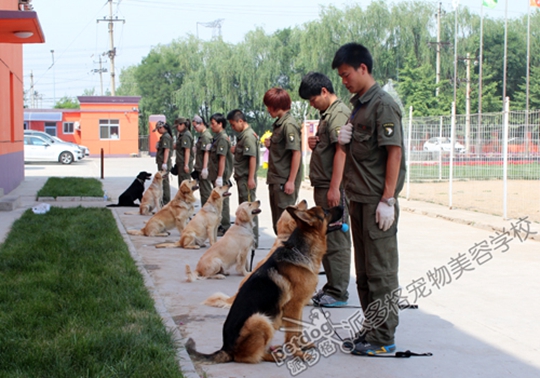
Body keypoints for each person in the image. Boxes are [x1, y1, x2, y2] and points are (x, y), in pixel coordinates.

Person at [332, 42, 406, 355]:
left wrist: (387, 199)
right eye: (341, 76)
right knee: (363, 274)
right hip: (359, 199)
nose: (344, 81)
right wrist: (344, 141)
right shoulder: (359, 105)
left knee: (381, 273)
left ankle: (384, 338)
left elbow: (394, 153)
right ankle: (372, 327)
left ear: (363, 68)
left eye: (347, 74)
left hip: (377, 202)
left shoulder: (383, 104)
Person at [299, 72, 352, 308]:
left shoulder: (338, 113)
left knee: (336, 239)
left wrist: (334, 189)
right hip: (324, 184)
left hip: (333, 185)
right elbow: (330, 146)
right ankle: (331, 287)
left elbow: (343, 150)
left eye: (312, 100)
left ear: (323, 91)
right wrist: (315, 142)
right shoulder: (327, 115)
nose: (312, 104)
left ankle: (339, 291)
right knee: (326, 237)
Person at [263, 87, 303, 233]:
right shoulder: (280, 123)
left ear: (276, 105)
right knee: (278, 225)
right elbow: (282, 152)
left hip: (284, 181)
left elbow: (296, 153)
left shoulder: (289, 124)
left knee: (286, 227)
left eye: (268, 106)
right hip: (276, 179)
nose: (267, 110)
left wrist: (291, 181)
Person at [227, 109, 260, 248]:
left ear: (241, 121)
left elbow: (252, 158)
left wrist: (251, 178)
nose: (233, 128)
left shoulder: (248, 137)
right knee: (244, 209)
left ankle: (252, 241)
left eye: (233, 125)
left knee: (249, 210)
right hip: (242, 178)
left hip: (247, 179)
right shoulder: (243, 136)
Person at [208, 113, 233, 235]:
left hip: (221, 175)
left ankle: (225, 226)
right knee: (218, 201)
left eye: (213, 123)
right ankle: (220, 224)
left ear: (220, 124)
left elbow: (222, 158)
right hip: (216, 173)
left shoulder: (222, 138)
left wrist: (219, 176)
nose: (211, 126)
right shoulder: (217, 137)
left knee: (223, 201)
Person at [192, 115, 213, 208]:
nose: (195, 129)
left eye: (195, 126)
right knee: (203, 191)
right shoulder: (202, 136)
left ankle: (207, 212)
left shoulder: (205, 136)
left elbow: (206, 153)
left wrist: (205, 168)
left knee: (206, 192)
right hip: (200, 166)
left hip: (203, 168)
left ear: (201, 124)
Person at [154, 120, 173, 205]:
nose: (158, 131)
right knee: (163, 182)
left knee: (164, 182)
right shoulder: (164, 136)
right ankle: (164, 200)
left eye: (158, 129)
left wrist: (164, 163)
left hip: (163, 162)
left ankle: (166, 201)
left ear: (162, 128)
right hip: (162, 162)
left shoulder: (165, 137)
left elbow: (167, 150)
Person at [173, 117, 194, 185]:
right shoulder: (182, 135)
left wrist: (186, 165)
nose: (176, 128)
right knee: (182, 185)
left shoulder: (186, 135)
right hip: (181, 163)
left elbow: (187, 150)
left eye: (177, 126)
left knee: (185, 186)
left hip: (184, 163)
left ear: (182, 125)